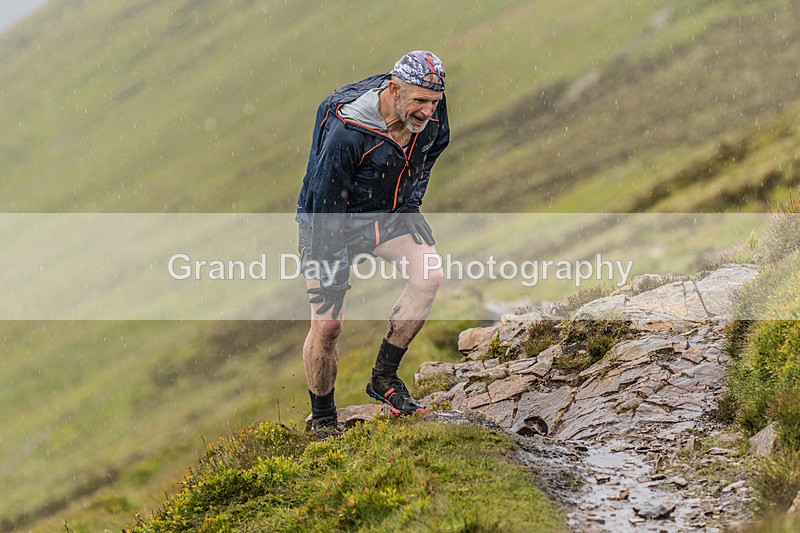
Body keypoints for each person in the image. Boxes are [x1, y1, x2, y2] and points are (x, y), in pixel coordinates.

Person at [296, 51, 450, 435]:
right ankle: (324, 419)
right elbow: (324, 207)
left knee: (429, 276)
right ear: (394, 90)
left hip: (385, 214)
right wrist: (331, 269)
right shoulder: (348, 133)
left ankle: (384, 378)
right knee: (329, 324)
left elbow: (429, 152)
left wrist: (411, 204)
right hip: (327, 221)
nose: (428, 111)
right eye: (420, 101)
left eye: (434, 102)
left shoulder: (430, 113)